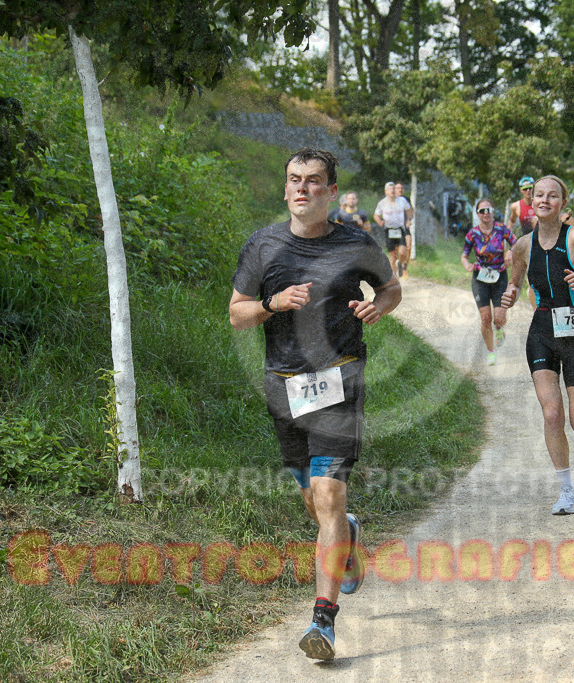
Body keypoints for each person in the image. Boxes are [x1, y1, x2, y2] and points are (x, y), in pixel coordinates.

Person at [229, 148, 402, 660]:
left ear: (331, 191)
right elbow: (237, 313)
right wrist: (272, 303)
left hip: (339, 378)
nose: (302, 188)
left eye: (313, 180)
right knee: (314, 501)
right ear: (285, 188)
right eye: (294, 179)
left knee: (328, 494)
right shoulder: (262, 246)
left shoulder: (355, 242)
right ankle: (346, 533)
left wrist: (377, 306)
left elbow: (391, 288)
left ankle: (322, 621)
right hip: (283, 385)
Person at [501, 175, 574, 515]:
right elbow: (515, 281)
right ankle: (567, 491)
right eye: (539, 195)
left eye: (552, 196)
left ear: (562, 203)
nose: (544, 200)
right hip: (541, 331)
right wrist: (509, 295)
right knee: (552, 414)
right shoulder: (522, 245)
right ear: (531, 201)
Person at [462, 198, 517, 366]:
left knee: (499, 318)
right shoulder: (472, 234)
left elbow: (516, 244)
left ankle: (499, 329)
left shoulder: (502, 229)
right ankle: (491, 352)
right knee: (486, 318)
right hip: (480, 278)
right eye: (482, 211)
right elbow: (464, 255)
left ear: (493, 212)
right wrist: (467, 265)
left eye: (489, 210)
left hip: (500, 276)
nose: (486, 213)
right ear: (477, 214)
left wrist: (510, 252)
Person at [507, 175, 574, 237]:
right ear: (520, 190)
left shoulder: (564, 217)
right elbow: (511, 222)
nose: (528, 191)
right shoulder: (516, 206)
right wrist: (511, 237)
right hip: (528, 240)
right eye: (525, 189)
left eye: (530, 188)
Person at [373, 181, 411, 280]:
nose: (393, 190)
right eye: (390, 189)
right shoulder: (382, 203)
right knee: (393, 256)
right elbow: (376, 215)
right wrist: (379, 221)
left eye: (394, 188)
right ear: (386, 191)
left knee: (402, 252)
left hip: (400, 229)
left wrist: (408, 219)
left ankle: (400, 263)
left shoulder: (402, 200)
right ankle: (395, 278)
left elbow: (409, 210)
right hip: (389, 230)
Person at [394, 182, 415, 279]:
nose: (400, 190)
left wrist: (409, 220)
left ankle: (404, 268)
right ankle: (396, 266)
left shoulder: (406, 200)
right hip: (395, 228)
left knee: (409, 245)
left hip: (405, 227)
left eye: (401, 188)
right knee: (398, 250)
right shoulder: (391, 200)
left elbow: (411, 211)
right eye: (398, 188)